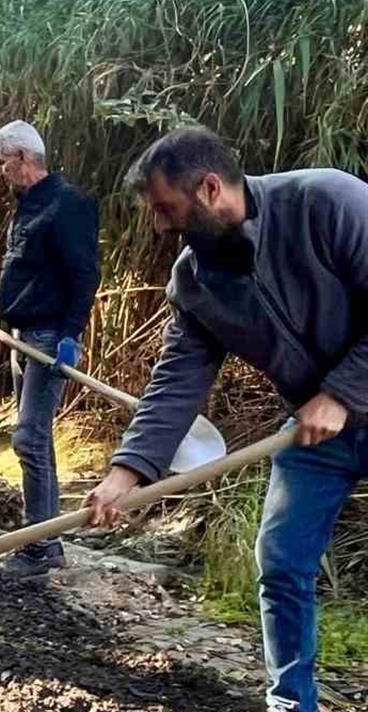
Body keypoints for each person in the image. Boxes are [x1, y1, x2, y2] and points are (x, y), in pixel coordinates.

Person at [82, 127, 367, 712]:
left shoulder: (328, 202)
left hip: (337, 402)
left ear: (210, 188)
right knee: (282, 560)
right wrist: (125, 474)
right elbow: (176, 382)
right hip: (315, 435)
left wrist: (341, 394)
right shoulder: (195, 282)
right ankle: (291, 702)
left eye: (166, 208)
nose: (160, 225)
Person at [0, 120, 100, 577]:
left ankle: (39, 543)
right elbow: (23, 271)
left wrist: (72, 334)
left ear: (23, 157)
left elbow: (85, 274)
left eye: (1, 162)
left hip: (50, 339)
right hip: (21, 335)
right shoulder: (27, 206)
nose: (0, 170)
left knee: (28, 436)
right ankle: (44, 542)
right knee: (37, 439)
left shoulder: (69, 204)